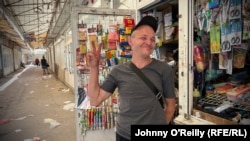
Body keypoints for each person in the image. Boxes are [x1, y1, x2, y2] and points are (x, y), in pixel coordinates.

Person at [86, 16, 176, 141]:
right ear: (130, 41)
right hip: (125, 136)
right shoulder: (118, 71)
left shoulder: (164, 69)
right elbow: (95, 100)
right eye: (143, 38)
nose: (149, 42)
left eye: (152, 39)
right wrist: (94, 68)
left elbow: (170, 105)